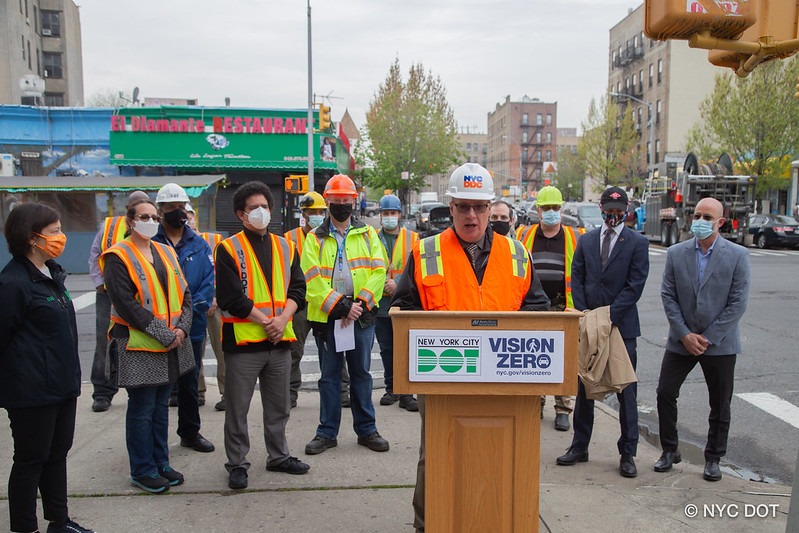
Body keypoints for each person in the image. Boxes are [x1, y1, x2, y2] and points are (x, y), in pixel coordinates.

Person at [392, 163, 550, 532]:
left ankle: (494, 519)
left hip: (505, 382)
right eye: (463, 206)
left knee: (498, 454)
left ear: (491, 207)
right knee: (435, 457)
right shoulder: (425, 251)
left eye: (479, 207)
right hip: (441, 380)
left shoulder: (516, 254)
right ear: (450, 207)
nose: (471, 215)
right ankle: (427, 524)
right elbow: (403, 309)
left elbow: (538, 309)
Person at [0, 203, 95, 533]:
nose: (60, 236)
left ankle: (59, 520)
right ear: (31, 237)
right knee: (30, 461)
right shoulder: (13, 283)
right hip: (31, 392)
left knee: (57, 456)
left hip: (62, 386)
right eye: (54, 231)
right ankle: (25, 527)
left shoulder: (51, 274)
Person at [215, 181, 310, 490]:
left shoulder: (286, 245)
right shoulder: (228, 248)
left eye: (265, 207)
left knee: (279, 406)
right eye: (253, 208)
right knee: (237, 408)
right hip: (243, 343)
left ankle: (279, 456)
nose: (261, 212)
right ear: (241, 215)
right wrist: (267, 320)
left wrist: (282, 319)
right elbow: (231, 298)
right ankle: (238, 463)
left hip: (279, 340)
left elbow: (298, 289)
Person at [100, 197, 195, 493]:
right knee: (141, 409)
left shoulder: (165, 251)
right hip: (139, 345)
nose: (151, 221)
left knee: (160, 408)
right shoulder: (117, 256)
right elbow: (126, 304)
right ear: (130, 221)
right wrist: (165, 334)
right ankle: (142, 469)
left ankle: (161, 462)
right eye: (144, 216)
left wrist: (182, 328)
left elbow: (185, 294)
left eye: (154, 217)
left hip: (170, 344)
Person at [556, 186, 649, 478]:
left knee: (626, 390)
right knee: (585, 386)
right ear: (601, 207)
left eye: (619, 212)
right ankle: (580, 445)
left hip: (621, 326)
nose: (614, 216)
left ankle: (628, 453)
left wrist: (609, 316)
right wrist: (588, 315)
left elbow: (635, 284)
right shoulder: (587, 240)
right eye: (609, 210)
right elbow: (578, 276)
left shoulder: (637, 243)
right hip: (590, 322)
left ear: (627, 211)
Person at [655, 197, 750, 481]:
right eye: (697, 215)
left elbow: (737, 303)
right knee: (664, 393)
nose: (700, 221)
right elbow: (668, 295)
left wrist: (707, 338)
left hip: (718, 343)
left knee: (720, 403)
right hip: (681, 340)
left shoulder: (737, 255)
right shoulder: (676, 253)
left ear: (721, 222)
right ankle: (670, 450)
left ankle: (713, 458)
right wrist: (684, 334)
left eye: (707, 217)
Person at [302, 174, 390, 456]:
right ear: (327, 201)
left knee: (361, 374)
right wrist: (340, 305)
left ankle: (367, 430)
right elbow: (311, 278)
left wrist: (361, 303)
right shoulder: (314, 238)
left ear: (354, 201)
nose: (341, 204)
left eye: (346, 199)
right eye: (336, 199)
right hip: (330, 316)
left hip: (360, 315)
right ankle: (326, 433)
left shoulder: (368, 234)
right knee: (329, 377)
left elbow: (379, 270)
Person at [152, 183, 216, 454]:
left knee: (189, 382)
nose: (177, 212)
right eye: (171, 208)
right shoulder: (151, 244)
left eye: (181, 208)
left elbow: (207, 282)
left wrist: (187, 318)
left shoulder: (199, 244)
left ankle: (190, 432)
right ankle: (154, 441)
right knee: (158, 386)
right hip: (158, 327)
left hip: (192, 326)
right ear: (160, 211)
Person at [516, 186, 586, 432]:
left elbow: (583, 272)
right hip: (533, 305)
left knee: (564, 359)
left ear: (562, 208)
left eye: (555, 208)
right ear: (538, 210)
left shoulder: (575, 236)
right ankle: (536, 403)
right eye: (546, 208)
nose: (551, 213)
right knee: (531, 357)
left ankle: (563, 408)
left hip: (563, 306)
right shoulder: (524, 233)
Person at [88, 190, 151, 412]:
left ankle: (143, 384)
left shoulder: (152, 225)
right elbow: (96, 255)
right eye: (138, 209)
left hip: (142, 295)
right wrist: (100, 283)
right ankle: (103, 392)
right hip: (108, 294)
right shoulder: (110, 227)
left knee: (142, 340)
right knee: (105, 341)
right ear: (129, 211)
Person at [375, 193, 419, 411]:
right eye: (385, 213)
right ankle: (391, 388)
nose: (389, 217)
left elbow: (418, 268)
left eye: (392, 213)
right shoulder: (371, 237)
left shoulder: (413, 238)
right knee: (386, 349)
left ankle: (406, 393)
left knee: (405, 349)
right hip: (380, 304)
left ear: (400, 215)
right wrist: (382, 281)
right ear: (380, 216)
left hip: (403, 302)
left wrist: (397, 283)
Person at [284, 191, 327, 408]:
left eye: (321, 211)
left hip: (324, 303)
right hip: (300, 304)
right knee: (293, 350)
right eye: (313, 212)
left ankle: (342, 392)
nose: (318, 215)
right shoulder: (290, 239)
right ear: (304, 214)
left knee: (332, 350)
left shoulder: (330, 236)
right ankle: (290, 394)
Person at [190, 207, 227, 412]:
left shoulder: (214, 240)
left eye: (189, 217)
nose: (187, 222)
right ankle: (198, 392)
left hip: (214, 303)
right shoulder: (174, 245)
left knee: (222, 349)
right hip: (191, 306)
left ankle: (226, 393)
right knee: (196, 350)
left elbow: (222, 270)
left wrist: (213, 296)